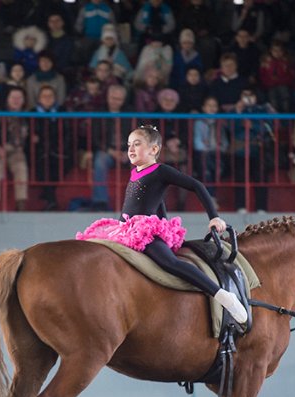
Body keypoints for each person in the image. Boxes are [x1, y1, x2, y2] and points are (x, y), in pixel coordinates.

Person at [75, 125, 247, 324]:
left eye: (137, 144)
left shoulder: (160, 170)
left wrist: (214, 217)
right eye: (129, 144)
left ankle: (222, 295)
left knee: (170, 263)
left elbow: (196, 186)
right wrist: (162, 223)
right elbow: (157, 201)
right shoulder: (134, 172)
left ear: (154, 150)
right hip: (125, 228)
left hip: (144, 230)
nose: (130, 149)